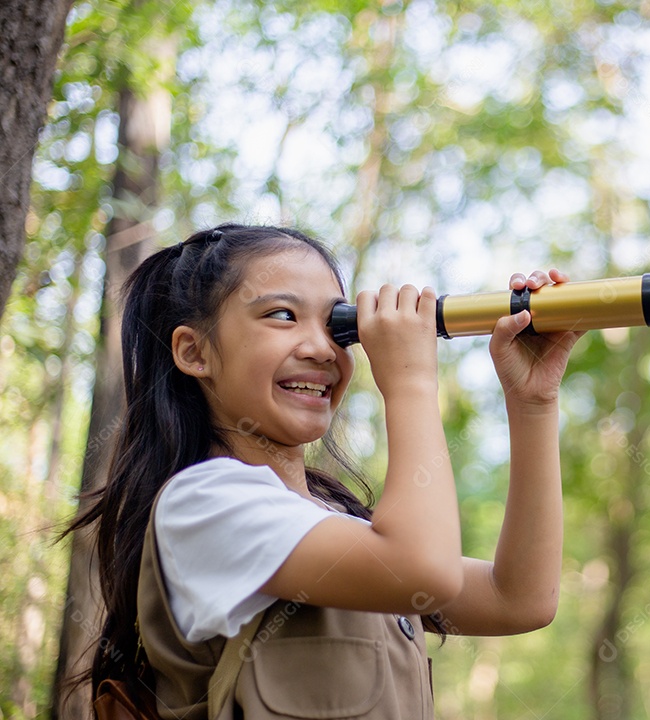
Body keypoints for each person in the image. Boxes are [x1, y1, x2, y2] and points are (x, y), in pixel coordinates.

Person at [68, 223, 583, 719]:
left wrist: (533, 399)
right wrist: (410, 382)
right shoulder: (204, 503)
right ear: (194, 351)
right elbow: (425, 569)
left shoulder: (335, 528)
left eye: (336, 324)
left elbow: (519, 600)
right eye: (282, 316)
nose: (321, 348)